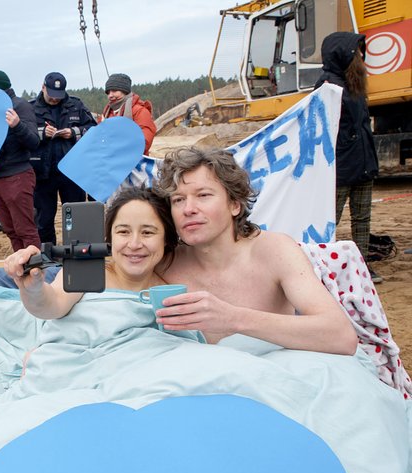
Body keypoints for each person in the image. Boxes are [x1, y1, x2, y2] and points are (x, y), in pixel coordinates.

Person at [153, 146, 358, 355]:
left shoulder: (274, 251)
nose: (189, 209)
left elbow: (341, 336)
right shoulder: (163, 264)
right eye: (178, 200)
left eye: (203, 195)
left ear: (235, 204)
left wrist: (233, 318)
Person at [4, 184, 177, 319]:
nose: (134, 244)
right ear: (108, 238)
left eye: (147, 232)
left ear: (166, 239)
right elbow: (51, 305)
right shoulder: (86, 274)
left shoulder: (169, 293)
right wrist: (33, 291)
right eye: (123, 232)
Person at [314, 32, 381, 284]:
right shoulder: (327, 84)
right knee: (330, 218)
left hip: (364, 165)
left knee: (362, 219)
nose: (361, 57)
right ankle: (320, 265)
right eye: (357, 52)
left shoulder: (356, 85)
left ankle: (362, 267)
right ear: (343, 54)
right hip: (340, 168)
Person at [30, 72, 97, 244]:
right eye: (51, 95)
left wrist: (74, 132)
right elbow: (22, 133)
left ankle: (76, 254)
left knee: (76, 217)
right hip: (43, 174)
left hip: (72, 173)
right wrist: (42, 133)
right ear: (43, 87)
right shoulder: (30, 108)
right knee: (43, 220)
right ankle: (48, 258)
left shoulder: (76, 105)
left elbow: (93, 129)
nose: (55, 100)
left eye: (58, 96)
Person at [0, 70, 41, 252]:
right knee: (11, 230)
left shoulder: (20, 106)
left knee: (25, 230)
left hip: (18, 176)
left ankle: (34, 272)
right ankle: (21, 269)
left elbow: (34, 141)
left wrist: (17, 125)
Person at [101, 73, 157, 155]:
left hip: (134, 162)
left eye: (114, 91)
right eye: (108, 92)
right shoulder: (107, 113)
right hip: (111, 161)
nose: (110, 95)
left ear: (125, 91)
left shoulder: (140, 111)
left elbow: (144, 141)